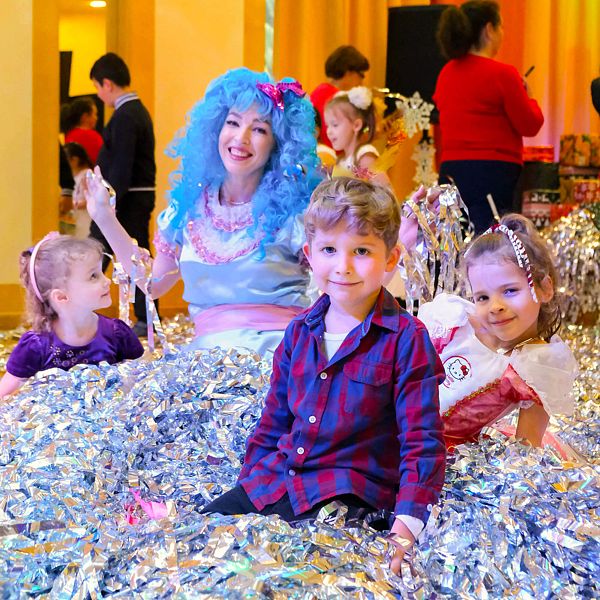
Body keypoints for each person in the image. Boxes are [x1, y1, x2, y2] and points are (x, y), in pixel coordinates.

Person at [201, 177, 447, 575]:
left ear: (391, 260)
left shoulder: (406, 338)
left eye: (361, 251)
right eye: (329, 250)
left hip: (350, 493)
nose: (343, 266)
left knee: (292, 571)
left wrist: (406, 526)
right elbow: (273, 422)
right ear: (309, 255)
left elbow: (422, 441)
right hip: (280, 479)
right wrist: (248, 486)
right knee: (198, 540)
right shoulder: (299, 331)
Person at [85, 67, 322, 356]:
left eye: (259, 129)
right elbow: (152, 284)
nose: (241, 137)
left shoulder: (296, 213)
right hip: (206, 363)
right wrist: (104, 218)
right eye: (233, 122)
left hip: (280, 358)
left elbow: (334, 284)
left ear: (278, 144)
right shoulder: (188, 209)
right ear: (216, 129)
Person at [417, 213, 577, 448]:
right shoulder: (452, 322)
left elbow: (526, 448)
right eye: (483, 297)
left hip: (436, 457)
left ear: (545, 289)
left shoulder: (538, 366)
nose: (495, 307)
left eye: (510, 291)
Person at [433, 0, 544, 233]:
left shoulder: (445, 73)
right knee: (491, 239)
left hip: (451, 170)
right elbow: (530, 124)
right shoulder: (503, 74)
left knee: (454, 238)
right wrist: (530, 97)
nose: (502, 33)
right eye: (501, 26)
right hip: (492, 172)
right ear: (489, 29)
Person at [0, 234, 144, 399]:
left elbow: (141, 380)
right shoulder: (36, 345)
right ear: (61, 297)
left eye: (100, 272)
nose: (107, 281)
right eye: (93, 276)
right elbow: (4, 392)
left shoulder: (117, 333)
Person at [89, 52, 157, 337]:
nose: (98, 94)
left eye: (97, 86)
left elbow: (122, 164)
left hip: (126, 199)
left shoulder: (127, 115)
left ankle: (144, 316)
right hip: (130, 196)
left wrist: (109, 202)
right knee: (124, 253)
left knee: (112, 252)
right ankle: (145, 316)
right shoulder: (133, 112)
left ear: (107, 83)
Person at [324, 86, 391, 187]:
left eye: (335, 125)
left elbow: (385, 190)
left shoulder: (364, 156)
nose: (329, 131)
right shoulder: (341, 160)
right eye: (327, 126)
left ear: (356, 125)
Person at [310, 45, 370, 148]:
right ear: (348, 72)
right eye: (361, 75)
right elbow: (337, 145)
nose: (362, 81)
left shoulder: (320, 91)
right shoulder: (336, 99)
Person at [64, 142, 93, 238]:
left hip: (85, 218)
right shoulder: (74, 176)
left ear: (75, 160)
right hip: (76, 218)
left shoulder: (87, 175)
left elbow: (92, 199)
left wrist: (73, 204)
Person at [63, 97, 104, 165]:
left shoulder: (68, 135)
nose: (96, 118)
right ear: (85, 117)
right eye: (95, 114)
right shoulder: (93, 137)